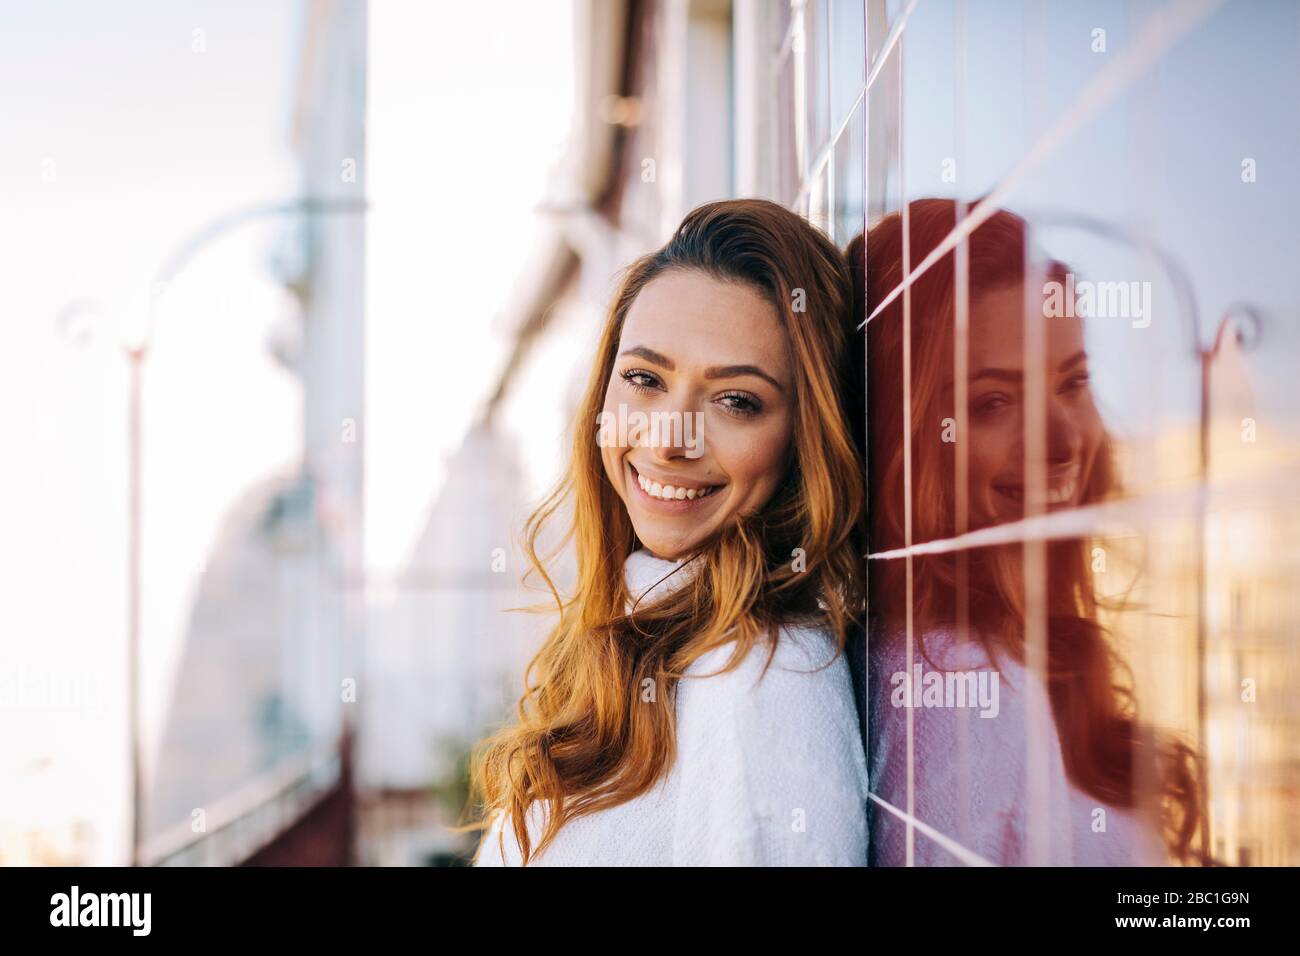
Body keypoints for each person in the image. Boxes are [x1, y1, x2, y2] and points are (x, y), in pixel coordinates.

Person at [470, 199, 870, 865]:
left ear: (803, 438)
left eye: (736, 400)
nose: (668, 436)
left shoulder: (759, 682)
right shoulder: (646, 629)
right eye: (645, 379)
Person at [851, 199, 1201, 866]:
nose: (1066, 440)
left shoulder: (993, 653)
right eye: (993, 402)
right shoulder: (961, 689)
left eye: (1073, 383)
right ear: (901, 438)